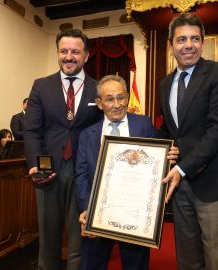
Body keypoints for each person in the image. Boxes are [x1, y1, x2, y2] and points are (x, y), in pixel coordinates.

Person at [157, 13, 218, 270]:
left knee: (217, 260)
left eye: (195, 39)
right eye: (182, 39)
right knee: (188, 259)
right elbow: (170, 131)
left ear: (202, 43)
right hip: (181, 186)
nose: (189, 45)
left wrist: (181, 168)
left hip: (215, 184)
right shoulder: (164, 84)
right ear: (171, 45)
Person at [74, 75, 179, 270]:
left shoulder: (144, 125)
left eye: (120, 97)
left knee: (135, 265)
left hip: (135, 216)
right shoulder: (87, 134)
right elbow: (81, 175)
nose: (116, 104)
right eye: (109, 99)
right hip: (98, 215)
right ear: (99, 103)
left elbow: (159, 159)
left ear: (128, 97)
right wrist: (87, 210)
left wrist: (170, 154)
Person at [24, 29, 102, 270]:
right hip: (49, 171)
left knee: (80, 238)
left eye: (75, 52)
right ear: (58, 53)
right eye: (64, 51)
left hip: (84, 173)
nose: (69, 56)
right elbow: (32, 130)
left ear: (86, 56)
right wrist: (35, 164)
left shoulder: (97, 88)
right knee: (48, 240)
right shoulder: (41, 86)